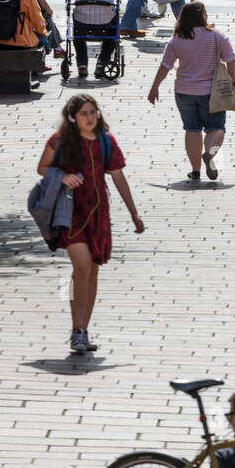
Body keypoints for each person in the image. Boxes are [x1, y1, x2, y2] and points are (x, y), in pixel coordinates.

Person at [36, 94, 144, 354]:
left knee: (93, 271)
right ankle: (76, 329)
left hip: (98, 213)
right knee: (81, 268)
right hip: (70, 212)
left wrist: (134, 213)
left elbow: (118, 176)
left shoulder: (107, 142)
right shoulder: (60, 141)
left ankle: (83, 328)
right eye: (84, 113)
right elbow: (42, 168)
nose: (90, 117)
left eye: (93, 112)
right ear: (73, 117)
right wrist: (63, 176)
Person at [147, 2, 235, 182]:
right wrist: (234, 81)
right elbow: (231, 59)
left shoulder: (177, 39)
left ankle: (195, 171)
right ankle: (210, 154)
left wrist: (155, 86)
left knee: (192, 129)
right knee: (217, 127)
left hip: (184, 92)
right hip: (212, 92)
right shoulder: (217, 36)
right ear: (203, 15)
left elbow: (166, 66)